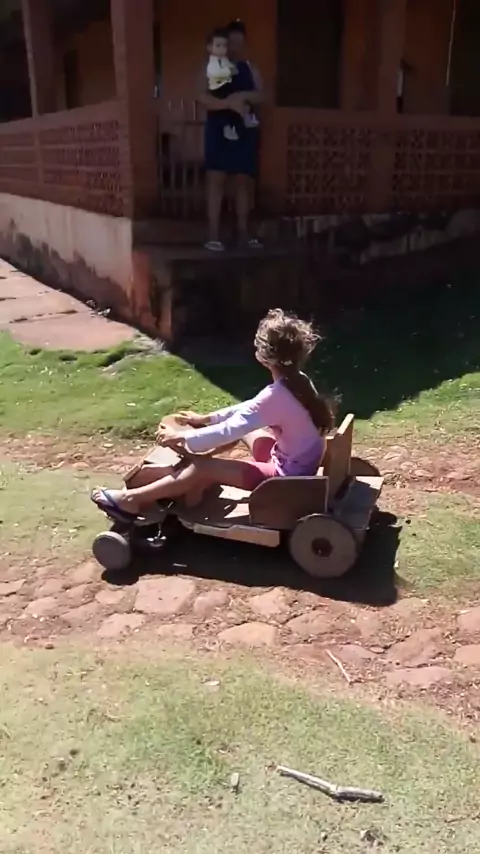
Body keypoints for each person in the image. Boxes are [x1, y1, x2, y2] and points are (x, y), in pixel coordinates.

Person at [91, 310, 334, 521]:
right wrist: (207, 419)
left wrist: (180, 437)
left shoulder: (277, 395)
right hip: (297, 465)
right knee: (245, 432)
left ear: (263, 356)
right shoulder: (298, 381)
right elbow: (249, 409)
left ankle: (132, 500)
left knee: (202, 467)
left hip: (286, 479)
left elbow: (230, 430)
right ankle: (199, 467)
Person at [196, 19, 264, 252]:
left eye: (239, 42)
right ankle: (213, 235)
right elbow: (201, 96)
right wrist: (227, 104)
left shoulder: (250, 68)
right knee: (216, 180)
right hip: (218, 127)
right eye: (231, 42)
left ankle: (243, 233)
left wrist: (243, 96)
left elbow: (261, 95)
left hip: (244, 128)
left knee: (243, 181)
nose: (234, 47)